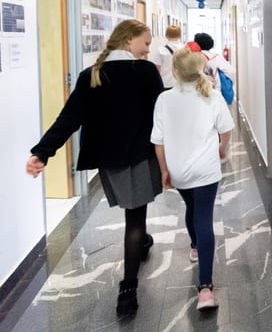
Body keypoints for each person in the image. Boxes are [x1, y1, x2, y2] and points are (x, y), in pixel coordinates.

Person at [26, 19, 164, 317]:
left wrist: (42, 152)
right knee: (135, 218)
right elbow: (161, 114)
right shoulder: (145, 71)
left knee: (133, 211)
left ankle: (143, 243)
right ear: (128, 41)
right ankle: (127, 290)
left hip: (108, 159)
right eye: (146, 42)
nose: (148, 49)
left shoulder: (91, 75)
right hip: (139, 155)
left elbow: (69, 118)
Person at [151, 47, 234, 310]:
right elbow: (227, 130)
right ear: (201, 68)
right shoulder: (213, 95)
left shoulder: (164, 100)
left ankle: (196, 246)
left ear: (174, 72)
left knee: (192, 208)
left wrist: (164, 170)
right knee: (204, 217)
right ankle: (205, 289)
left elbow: (159, 142)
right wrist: (223, 148)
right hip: (206, 170)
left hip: (179, 170)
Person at [149, 24, 183, 89]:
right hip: (181, 83)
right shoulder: (185, 49)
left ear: (166, 35)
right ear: (180, 35)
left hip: (166, 83)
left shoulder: (161, 50)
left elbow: (157, 70)